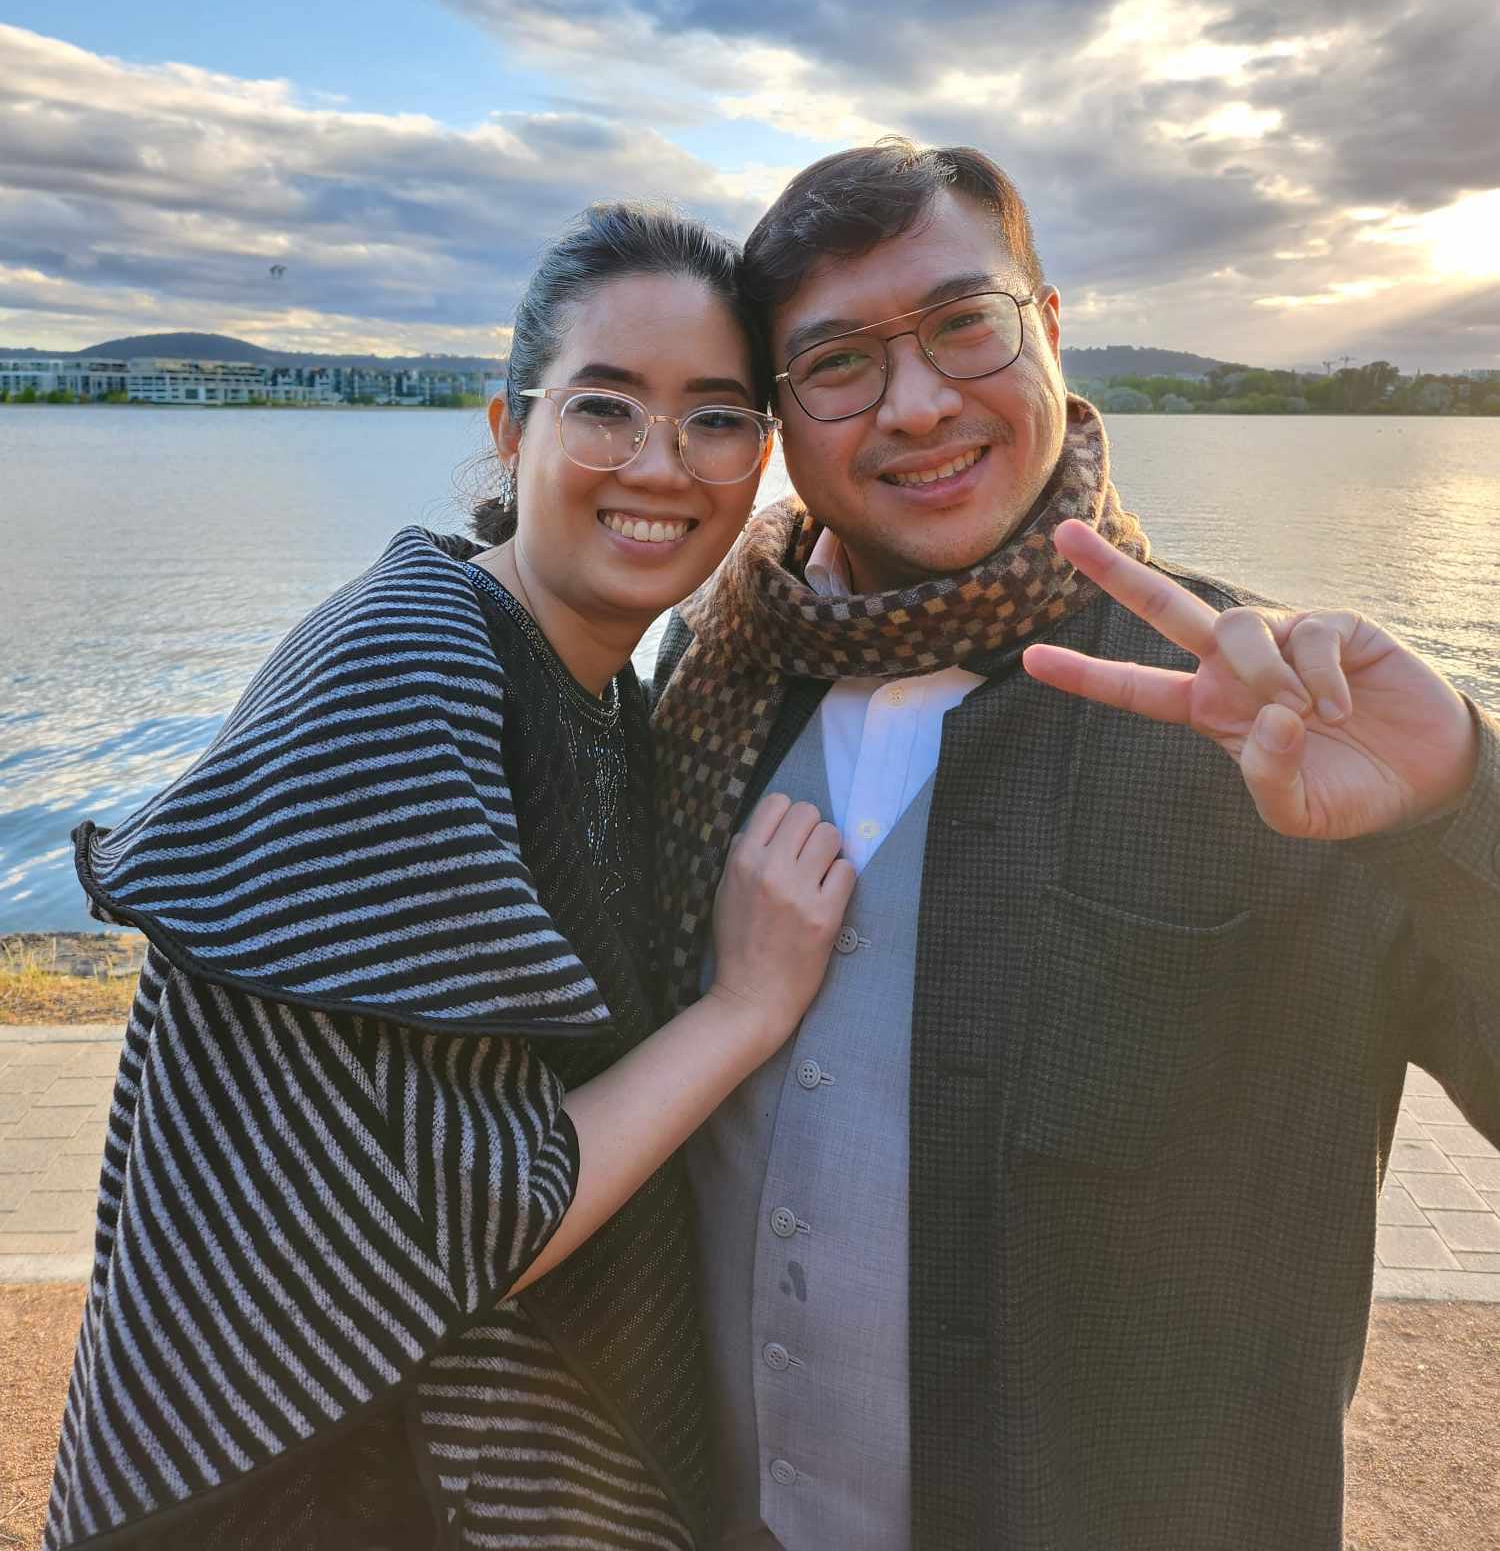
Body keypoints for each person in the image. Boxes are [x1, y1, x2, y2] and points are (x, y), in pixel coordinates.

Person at [651, 140, 1500, 1551]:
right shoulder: (714, 675)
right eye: (841, 362)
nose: (917, 405)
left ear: (1048, 326)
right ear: (784, 418)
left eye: (960, 325)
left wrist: (1459, 802)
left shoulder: (1283, 728)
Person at [46, 204, 855, 1551]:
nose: (662, 464)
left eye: (716, 419)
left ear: (762, 459)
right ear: (510, 428)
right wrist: (747, 1010)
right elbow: (486, 1220)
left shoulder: (608, 691)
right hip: (300, 1467)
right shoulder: (409, 667)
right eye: (606, 408)